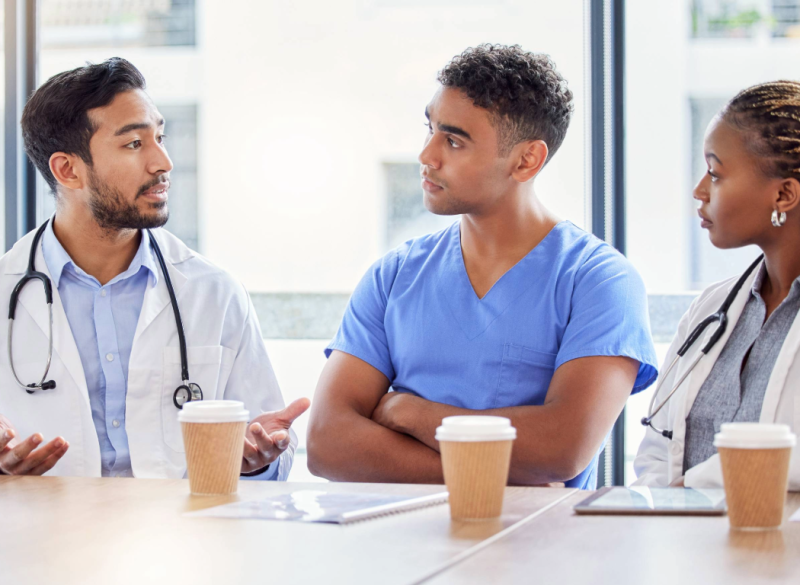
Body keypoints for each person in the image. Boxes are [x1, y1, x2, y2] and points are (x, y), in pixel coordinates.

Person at [307, 44, 658, 489]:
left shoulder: (598, 281)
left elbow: (561, 450)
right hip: (393, 552)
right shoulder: (393, 276)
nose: (427, 155)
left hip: (539, 553)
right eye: (430, 129)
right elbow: (327, 444)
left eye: (453, 140)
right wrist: (493, 471)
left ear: (526, 160)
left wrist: (413, 414)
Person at [0, 58, 308, 479]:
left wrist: (256, 462)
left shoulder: (211, 292)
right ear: (67, 170)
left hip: (178, 537)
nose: (163, 162)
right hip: (38, 538)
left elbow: (270, 447)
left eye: (160, 137)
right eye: (134, 144)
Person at [634, 81, 800, 490]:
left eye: (715, 173)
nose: (699, 191)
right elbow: (657, 449)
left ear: (784, 194)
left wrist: (694, 491)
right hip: (685, 546)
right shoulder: (711, 307)